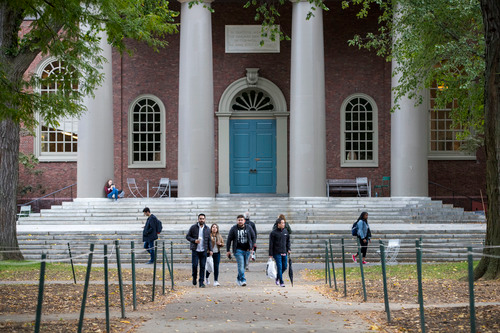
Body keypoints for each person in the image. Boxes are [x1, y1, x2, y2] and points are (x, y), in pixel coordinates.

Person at [226, 214, 256, 286]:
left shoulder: (248, 227)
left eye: (241, 220)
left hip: (247, 250)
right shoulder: (234, 228)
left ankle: (238, 278)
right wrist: (228, 250)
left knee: (244, 265)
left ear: (244, 221)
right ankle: (243, 280)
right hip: (238, 250)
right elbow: (229, 239)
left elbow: (253, 236)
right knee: (241, 264)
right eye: (239, 220)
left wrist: (252, 246)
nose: (240, 221)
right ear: (237, 221)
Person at [186, 213, 213, 288]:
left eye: (203, 219)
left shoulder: (207, 229)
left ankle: (201, 282)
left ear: (205, 219)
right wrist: (194, 240)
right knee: (194, 265)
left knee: (203, 266)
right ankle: (194, 277)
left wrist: (210, 249)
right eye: (200, 218)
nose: (201, 220)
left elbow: (209, 240)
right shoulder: (193, 227)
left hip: (203, 250)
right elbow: (187, 236)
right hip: (195, 250)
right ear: (198, 219)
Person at [269, 218, 291, 287]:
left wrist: (289, 249)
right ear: (278, 224)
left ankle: (277, 277)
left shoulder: (285, 231)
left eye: (284, 223)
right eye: (282, 223)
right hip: (276, 252)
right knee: (279, 266)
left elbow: (288, 241)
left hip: (284, 251)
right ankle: (281, 281)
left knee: (285, 266)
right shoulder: (273, 233)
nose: (284, 224)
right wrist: (270, 254)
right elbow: (271, 244)